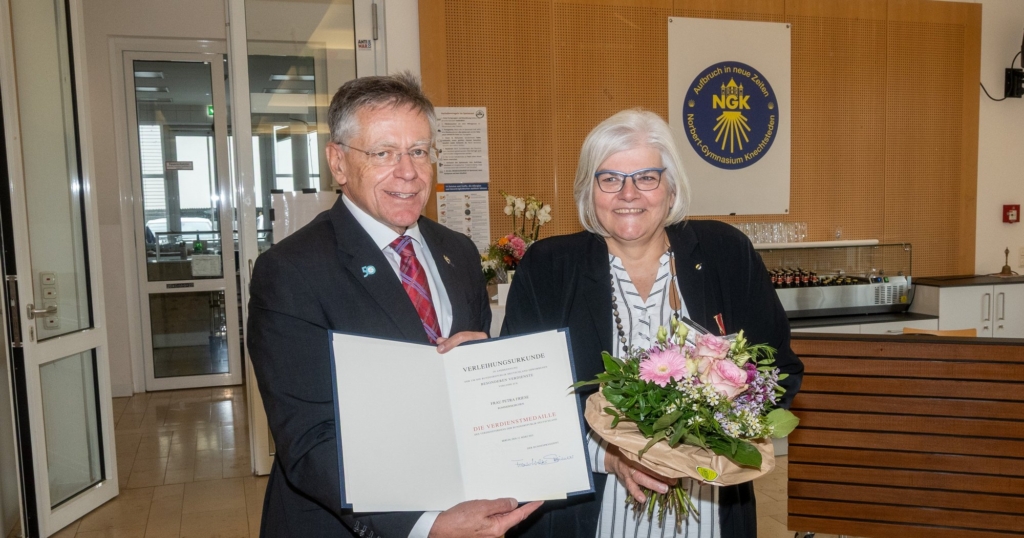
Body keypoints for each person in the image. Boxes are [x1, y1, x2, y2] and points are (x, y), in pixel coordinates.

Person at [247, 73, 542, 538]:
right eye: (383, 153)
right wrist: (426, 526)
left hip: (465, 506)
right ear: (338, 163)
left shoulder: (459, 252)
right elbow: (310, 440)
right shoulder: (290, 272)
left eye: (419, 151)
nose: (408, 171)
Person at [501, 109, 803, 538]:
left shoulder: (725, 253)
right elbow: (523, 400)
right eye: (610, 179)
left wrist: (720, 434)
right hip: (594, 514)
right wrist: (607, 456)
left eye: (646, 177)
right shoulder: (549, 268)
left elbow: (778, 373)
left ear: (671, 186)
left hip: (707, 509)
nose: (629, 194)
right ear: (590, 190)